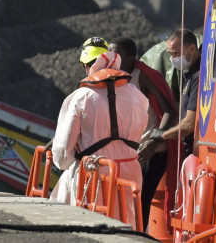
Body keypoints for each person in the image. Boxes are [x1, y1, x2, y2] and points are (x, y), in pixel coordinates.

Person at [50, 43, 148, 226]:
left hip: (93, 172)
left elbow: (63, 153)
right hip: (130, 171)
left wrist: (64, 164)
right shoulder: (138, 96)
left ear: (88, 67)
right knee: (127, 223)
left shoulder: (81, 96)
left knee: (85, 222)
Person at [109, 36, 178, 222]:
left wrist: (154, 141)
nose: (112, 58)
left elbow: (169, 112)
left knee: (139, 202)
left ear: (131, 58)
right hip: (124, 153)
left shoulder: (143, 76)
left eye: (117, 54)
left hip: (148, 153)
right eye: (109, 53)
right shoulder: (109, 76)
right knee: (119, 202)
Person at [153, 29, 200, 160]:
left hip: (195, 149)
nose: (172, 59)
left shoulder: (198, 75)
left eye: (176, 53)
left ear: (191, 48)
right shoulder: (189, 73)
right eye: (170, 54)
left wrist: (162, 135)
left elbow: (189, 124)